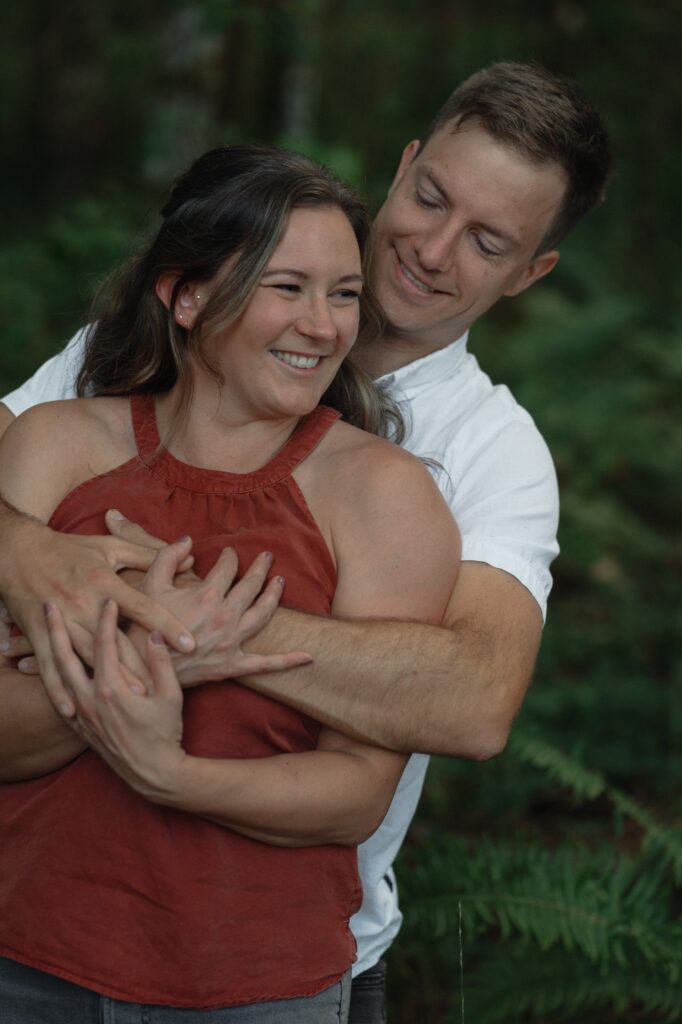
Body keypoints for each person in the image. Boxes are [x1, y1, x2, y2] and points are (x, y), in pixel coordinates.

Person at [0, 62, 610, 1020]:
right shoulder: (135, 356)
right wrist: (20, 547)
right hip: (36, 921)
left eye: (488, 241)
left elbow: (472, 701)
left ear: (531, 274)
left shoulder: (489, 453)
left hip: (273, 948)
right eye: (430, 196)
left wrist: (182, 627)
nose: (431, 249)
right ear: (404, 164)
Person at [0, 145, 459, 1021]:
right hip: (23, 956)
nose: (323, 326)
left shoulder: (385, 496)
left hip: (249, 983)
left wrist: (170, 773)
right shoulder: (54, 446)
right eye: (287, 287)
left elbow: (355, 796)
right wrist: (151, 652)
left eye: (345, 293)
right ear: (188, 295)